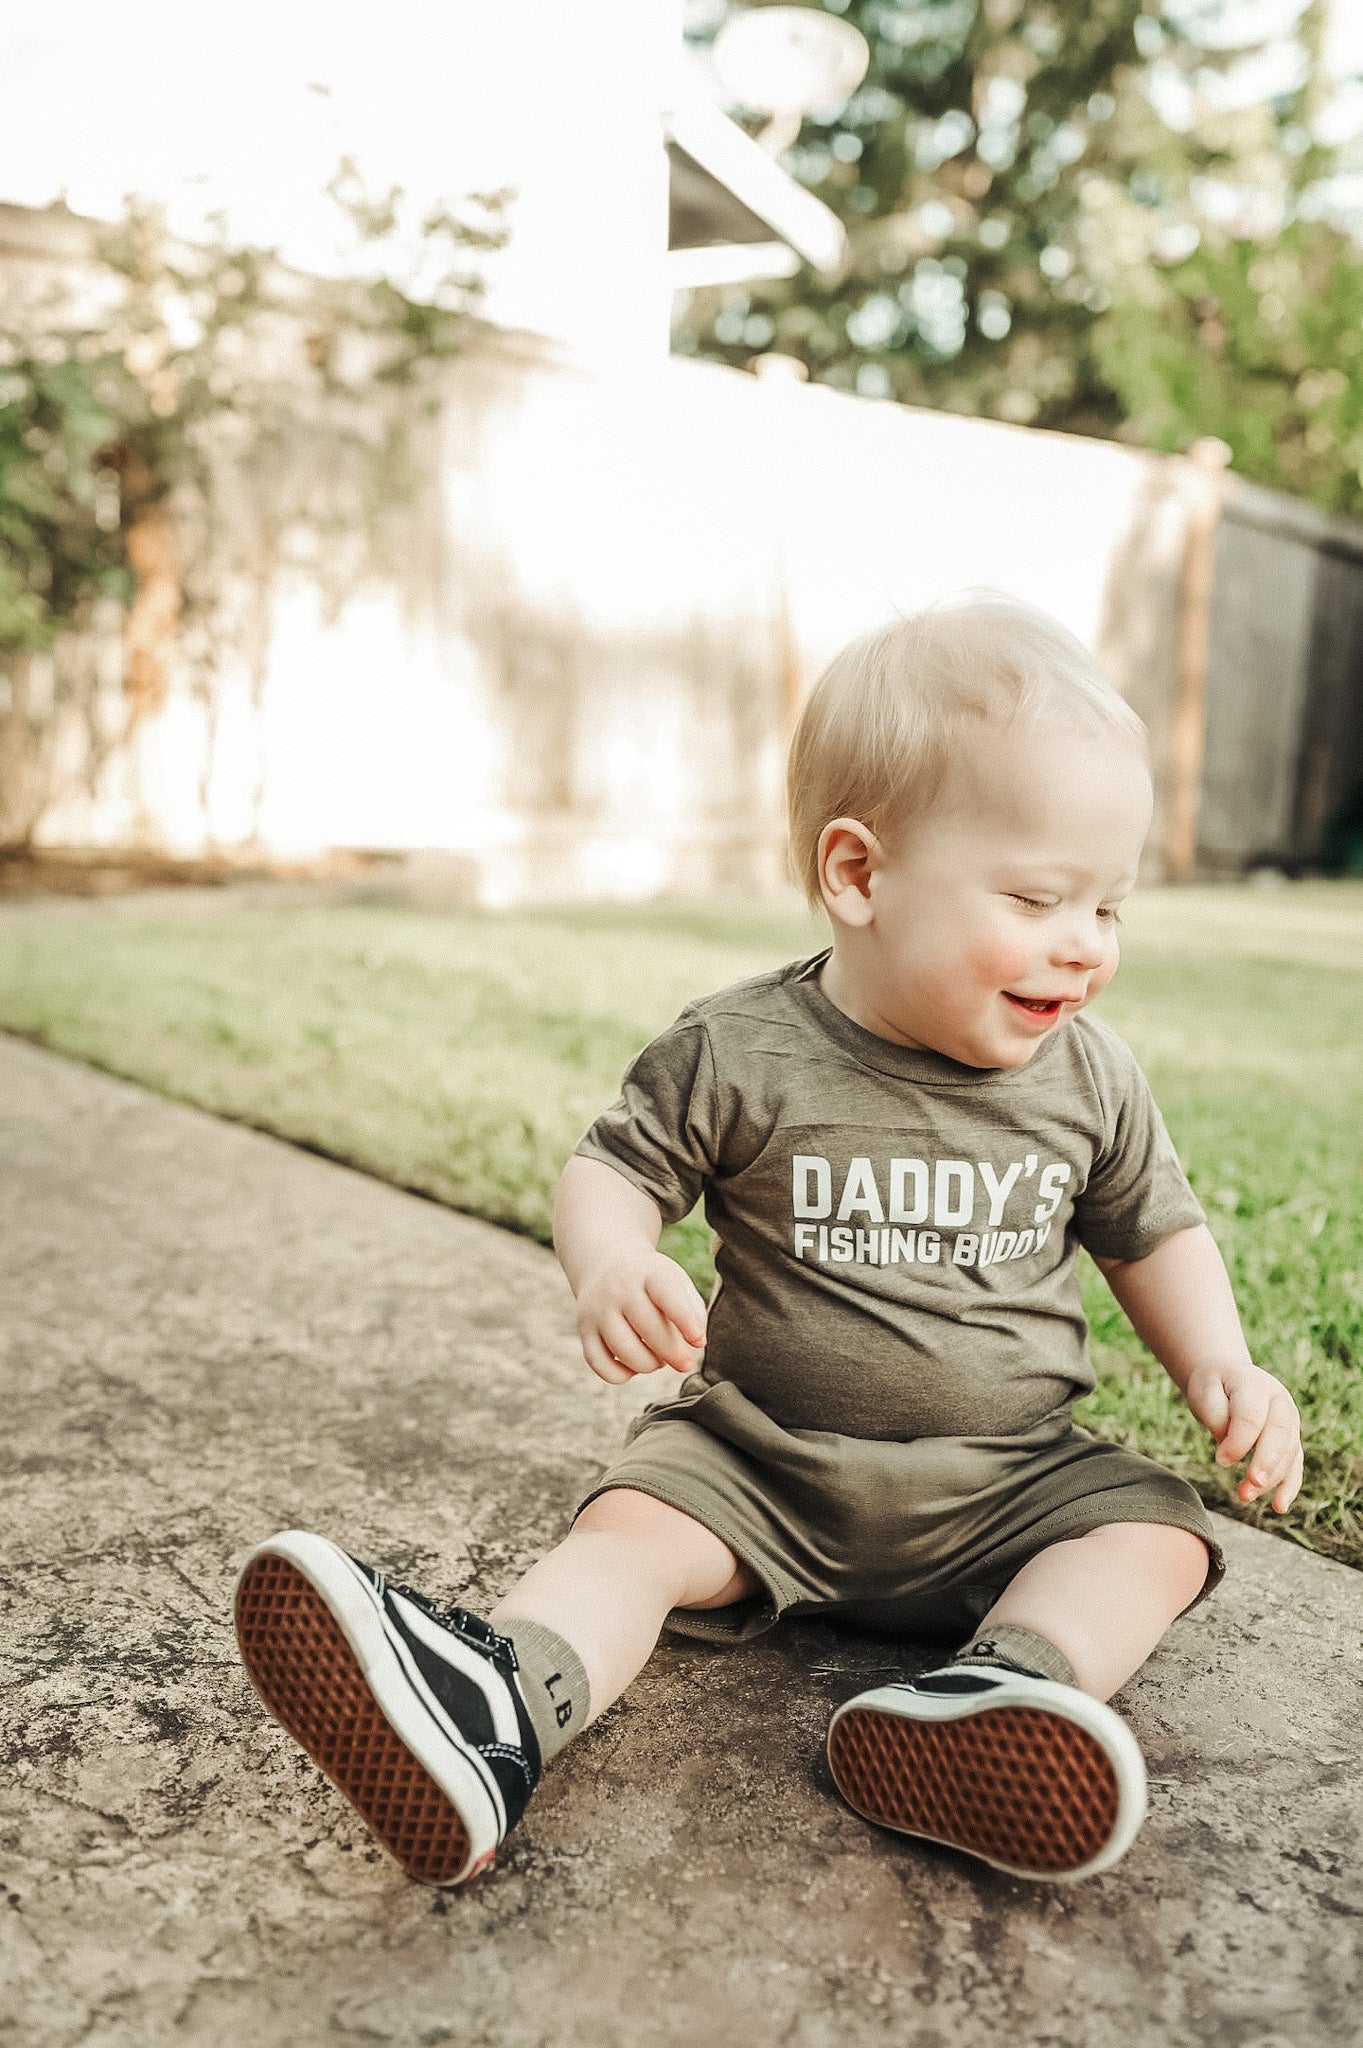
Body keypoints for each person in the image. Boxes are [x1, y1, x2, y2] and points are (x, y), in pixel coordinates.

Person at [234, 592, 1302, 1889]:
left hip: (1006, 1481)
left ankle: (1004, 1698)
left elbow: (1154, 1230)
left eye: (1109, 909)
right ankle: (498, 1704)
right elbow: (608, 1170)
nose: (1084, 948)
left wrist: (1221, 1369)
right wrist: (615, 1262)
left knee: (1158, 1535)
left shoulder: (1089, 1077)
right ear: (859, 873)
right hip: (759, 1469)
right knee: (628, 1529)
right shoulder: (744, 1049)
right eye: (1037, 899)